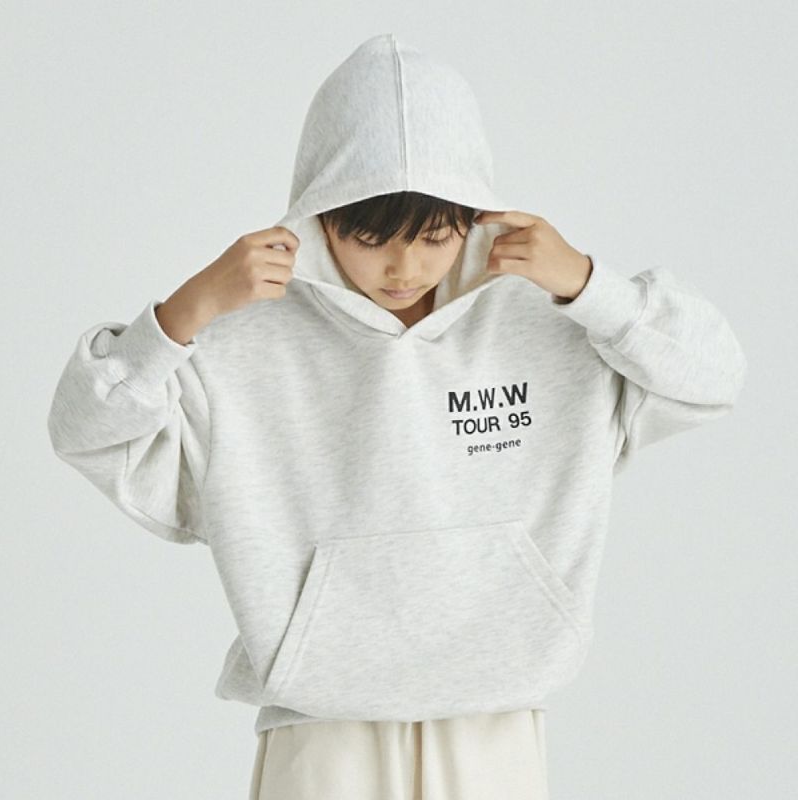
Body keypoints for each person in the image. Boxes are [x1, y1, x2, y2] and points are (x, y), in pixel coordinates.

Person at [46, 33, 747, 800]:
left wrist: (588, 285)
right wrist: (183, 314)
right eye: (370, 237)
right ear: (321, 216)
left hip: (496, 716)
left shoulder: (553, 319)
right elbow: (86, 433)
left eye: (434, 237)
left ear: (472, 215)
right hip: (321, 727)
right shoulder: (243, 335)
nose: (403, 267)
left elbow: (715, 377)